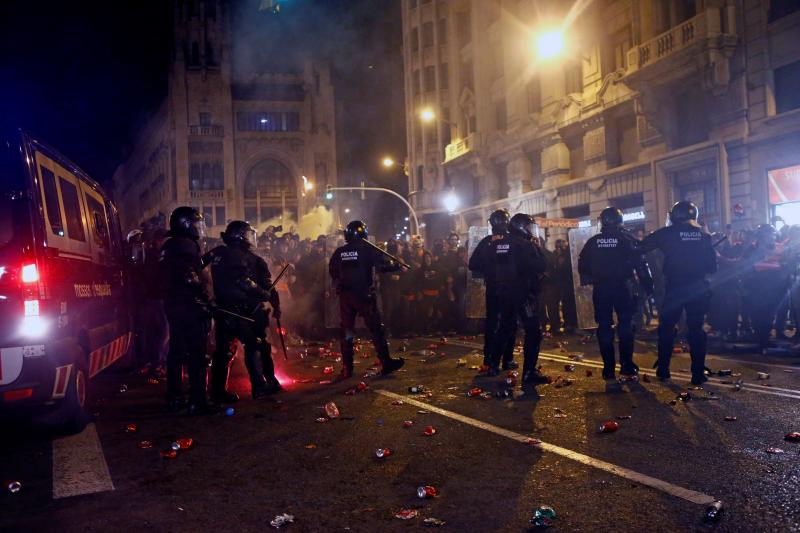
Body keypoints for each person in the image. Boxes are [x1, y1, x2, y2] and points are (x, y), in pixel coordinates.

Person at [638, 201, 717, 384]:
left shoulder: (667, 234)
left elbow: (641, 247)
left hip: (675, 287)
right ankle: (698, 373)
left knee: (666, 328)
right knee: (696, 329)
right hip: (697, 287)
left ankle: (664, 369)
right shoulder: (704, 237)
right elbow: (712, 267)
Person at [205, 221, 282, 401]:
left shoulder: (217, 253)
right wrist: (266, 296)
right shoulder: (250, 259)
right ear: (241, 236)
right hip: (245, 312)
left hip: (223, 311)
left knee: (224, 352)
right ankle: (260, 385)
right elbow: (251, 283)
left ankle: (217, 392)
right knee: (255, 346)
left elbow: (196, 267)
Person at [578, 207, 653, 381]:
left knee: (604, 327)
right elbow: (641, 265)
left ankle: (608, 370)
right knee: (626, 325)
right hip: (623, 287)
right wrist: (648, 287)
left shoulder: (593, 241)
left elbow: (583, 266)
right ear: (620, 221)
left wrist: (593, 277)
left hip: (601, 289)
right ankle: (626, 366)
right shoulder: (626, 239)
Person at [328, 220, 405, 380]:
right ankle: (386, 362)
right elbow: (382, 266)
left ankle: (347, 368)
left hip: (346, 297)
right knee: (376, 329)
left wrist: (339, 285)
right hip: (364, 296)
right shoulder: (368, 249)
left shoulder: (339, 252)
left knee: (347, 332)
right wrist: (396, 265)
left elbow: (333, 271)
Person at [159, 206, 213, 414]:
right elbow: (188, 275)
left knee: (177, 352)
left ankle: (174, 398)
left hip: (174, 304)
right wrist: (205, 296)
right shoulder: (185, 244)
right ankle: (197, 400)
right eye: (196, 224)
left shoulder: (170, 245)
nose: (199, 228)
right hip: (188, 305)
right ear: (185, 225)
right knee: (197, 354)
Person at [492, 213, 549, 387]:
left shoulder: (499, 244)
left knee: (504, 329)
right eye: (529, 227)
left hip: (504, 293)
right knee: (533, 332)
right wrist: (538, 248)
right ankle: (529, 373)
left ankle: (492, 365)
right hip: (524, 294)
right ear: (521, 227)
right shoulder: (526, 245)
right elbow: (541, 266)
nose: (531, 231)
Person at [469, 209, 514, 372]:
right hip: (506, 288)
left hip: (494, 288)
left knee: (494, 324)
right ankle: (505, 359)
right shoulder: (512, 241)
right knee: (508, 323)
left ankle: (492, 358)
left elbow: (473, 264)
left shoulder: (486, 242)